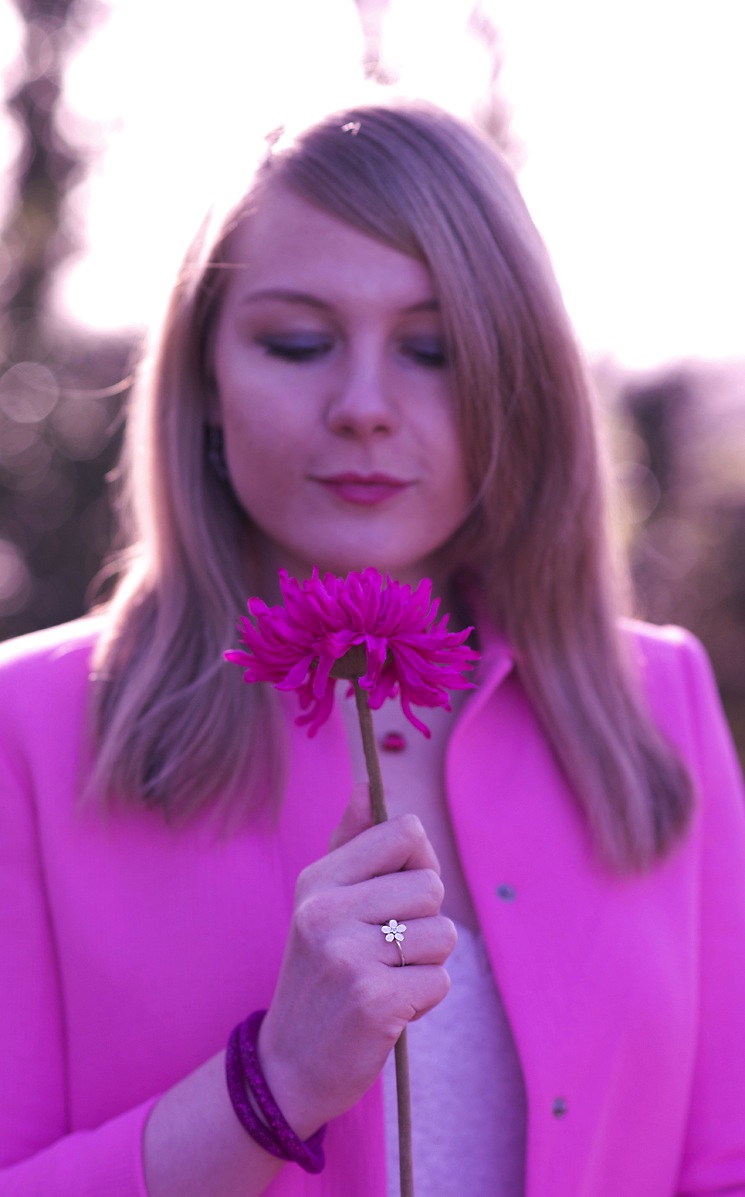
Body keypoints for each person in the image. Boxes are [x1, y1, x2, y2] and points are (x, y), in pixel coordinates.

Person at [1, 99, 744, 1197]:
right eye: (296, 342)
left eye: (434, 349)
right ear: (204, 381)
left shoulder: (657, 704)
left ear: (519, 387)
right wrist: (271, 1082)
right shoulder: (33, 729)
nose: (361, 406)